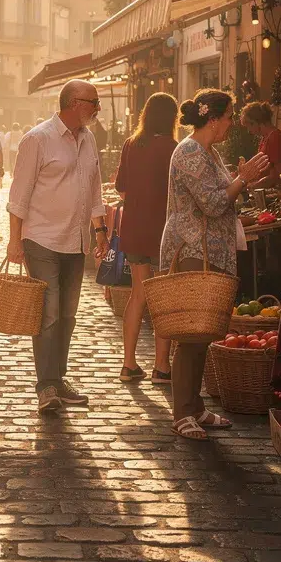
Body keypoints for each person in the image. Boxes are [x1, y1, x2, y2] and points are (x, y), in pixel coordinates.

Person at [160, 89, 270, 440]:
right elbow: (212, 203)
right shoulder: (190, 152)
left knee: (204, 333)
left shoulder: (210, 152)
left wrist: (242, 180)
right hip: (194, 249)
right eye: (229, 117)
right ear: (213, 119)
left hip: (213, 250)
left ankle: (195, 407)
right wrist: (243, 179)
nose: (231, 123)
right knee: (192, 334)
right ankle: (182, 413)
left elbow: (224, 194)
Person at [7, 80, 109, 414]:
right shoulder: (37, 139)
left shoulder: (88, 139)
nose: (98, 108)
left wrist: (100, 230)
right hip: (42, 239)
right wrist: (14, 240)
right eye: (94, 102)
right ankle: (46, 386)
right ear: (75, 103)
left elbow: (94, 189)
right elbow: (19, 195)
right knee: (49, 315)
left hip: (76, 240)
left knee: (67, 314)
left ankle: (59, 379)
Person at [114, 93, 179, 385]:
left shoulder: (132, 144)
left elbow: (121, 188)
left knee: (138, 294)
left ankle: (128, 364)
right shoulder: (172, 148)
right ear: (172, 118)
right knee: (162, 295)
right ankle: (161, 367)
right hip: (162, 231)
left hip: (135, 228)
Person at [239, 101, 281, 188]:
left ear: (255, 122)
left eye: (248, 126)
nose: (249, 131)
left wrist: (251, 186)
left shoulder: (275, 137)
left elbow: (278, 176)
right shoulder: (265, 138)